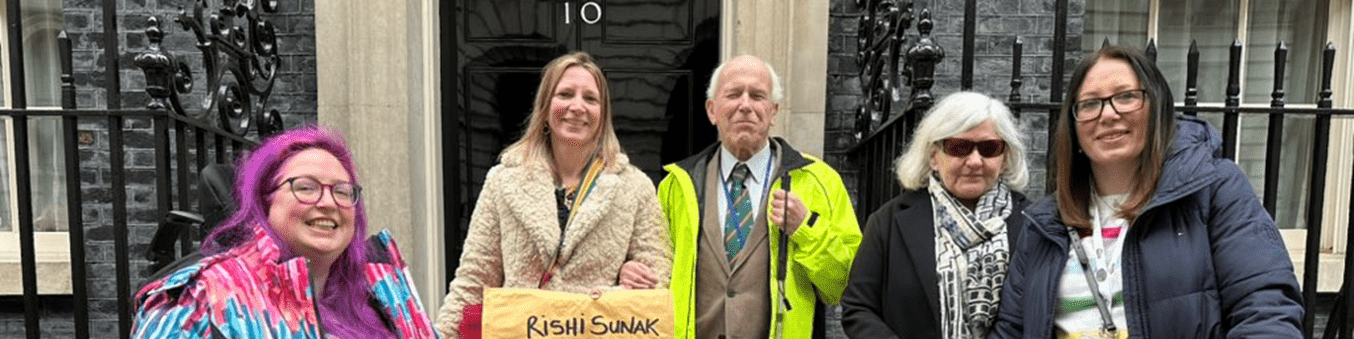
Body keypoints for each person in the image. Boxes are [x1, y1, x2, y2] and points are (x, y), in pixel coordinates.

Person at [989, 45, 1303, 338]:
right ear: (1073, 126)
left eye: (1125, 97)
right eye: (1089, 103)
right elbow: (1012, 329)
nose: (1108, 114)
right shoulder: (1045, 223)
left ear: (1157, 108)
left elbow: (1265, 308)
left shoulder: (1215, 189)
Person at [434, 51, 672, 338]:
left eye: (590, 98)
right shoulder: (503, 181)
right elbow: (473, 280)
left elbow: (659, 281)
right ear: (546, 107)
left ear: (602, 114)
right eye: (565, 94)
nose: (577, 106)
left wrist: (630, 283)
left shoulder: (635, 188)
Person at [131, 126, 440, 338]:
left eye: (342, 191)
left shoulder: (382, 289)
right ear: (265, 200)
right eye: (306, 187)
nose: (328, 203)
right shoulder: (202, 298)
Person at [656, 55, 862, 339]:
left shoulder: (819, 182)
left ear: (773, 111)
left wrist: (807, 228)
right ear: (712, 110)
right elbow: (654, 276)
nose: (745, 105)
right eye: (733, 94)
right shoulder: (675, 186)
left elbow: (842, 285)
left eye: (757, 96)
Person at [841, 92, 1030, 339]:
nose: (975, 161)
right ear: (934, 157)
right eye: (959, 147)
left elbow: (1058, 306)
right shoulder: (887, 223)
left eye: (989, 148)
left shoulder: (1032, 225)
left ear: (1004, 158)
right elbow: (858, 308)